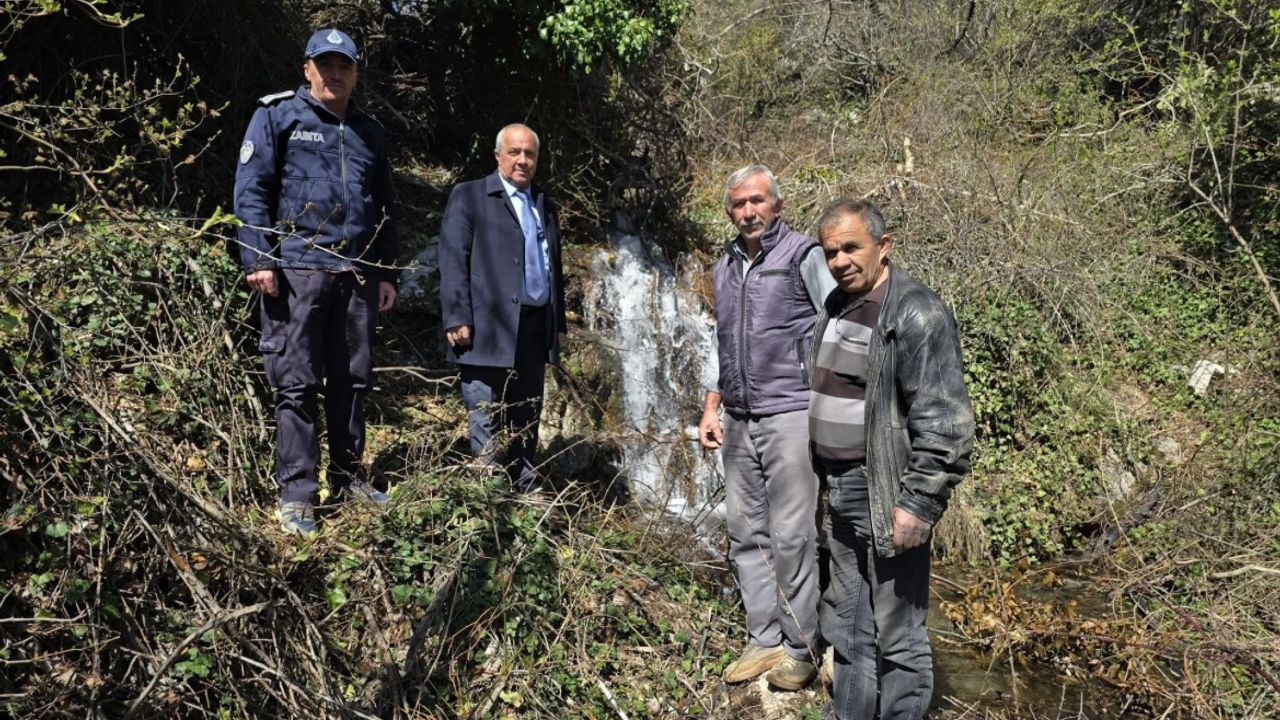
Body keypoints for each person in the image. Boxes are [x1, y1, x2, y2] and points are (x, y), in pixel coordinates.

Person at [808, 198, 974, 720]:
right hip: (840, 488)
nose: (840, 260)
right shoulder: (837, 304)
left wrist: (919, 502)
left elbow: (945, 421)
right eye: (830, 251)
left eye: (851, 247)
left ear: (884, 246)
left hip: (885, 491)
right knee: (848, 626)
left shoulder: (917, 312)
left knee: (899, 635)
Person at [234, 28, 400, 537]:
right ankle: (299, 496)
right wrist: (259, 258)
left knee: (352, 381)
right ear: (307, 68)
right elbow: (251, 189)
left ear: (355, 72)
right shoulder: (277, 115)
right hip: (296, 271)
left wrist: (386, 271)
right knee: (297, 383)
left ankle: (348, 480)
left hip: (355, 275)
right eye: (325, 64)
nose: (335, 74)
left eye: (344, 66)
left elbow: (386, 207)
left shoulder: (371, 131)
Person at [699, 165, 836, 690]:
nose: (748, 211)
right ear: (729, 211)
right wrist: (712, 406)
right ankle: (763, 639)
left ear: (776, 204)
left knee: (794, 535)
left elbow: (839, 324)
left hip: (791, 412)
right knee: (745, 532)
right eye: (738, 204)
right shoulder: (724, 265)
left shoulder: (804, 256)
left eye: (757, 200)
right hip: (737, 417)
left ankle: (800, 647)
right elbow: (723, 342)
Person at [438, 124, 566, 490]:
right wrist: (457, 315)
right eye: (514, 152)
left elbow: (553, 265)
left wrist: (557, 322)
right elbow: (452, 258)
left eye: (529, 154)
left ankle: (525, 485)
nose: (522, 160)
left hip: (533, 325)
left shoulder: (544, 203)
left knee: (528, 410)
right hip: (485, 326)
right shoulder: (470, 196)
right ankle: (489, 493)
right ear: (497, 155)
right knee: (485, 412)